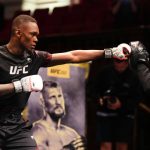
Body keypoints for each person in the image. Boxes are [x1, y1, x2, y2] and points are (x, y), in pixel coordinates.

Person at [0, 14, 131, 149]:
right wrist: (18, 86)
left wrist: (110, 52)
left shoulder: (34, 57)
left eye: (37, 35)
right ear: (18, 33)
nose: (36, 39)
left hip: (15, 127)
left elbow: (73, 56)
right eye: (32, 34)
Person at [86, 51, 143, 150]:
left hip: (125, 115)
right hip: (105, 114)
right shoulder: (104, 73)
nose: (119, 63)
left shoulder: (134, 76)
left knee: (122, 145)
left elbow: (137, 97)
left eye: (122, 61)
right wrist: (99, 99)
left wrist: (122, 104)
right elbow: (92, 90)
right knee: (105, 145)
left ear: (127, 61)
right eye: (117, 60)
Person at [32, 80, 86, 150]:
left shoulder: (72, 134)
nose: (58, 102)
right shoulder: (38, 132)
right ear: (43, 102)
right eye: (52, 97)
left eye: (60, 96)